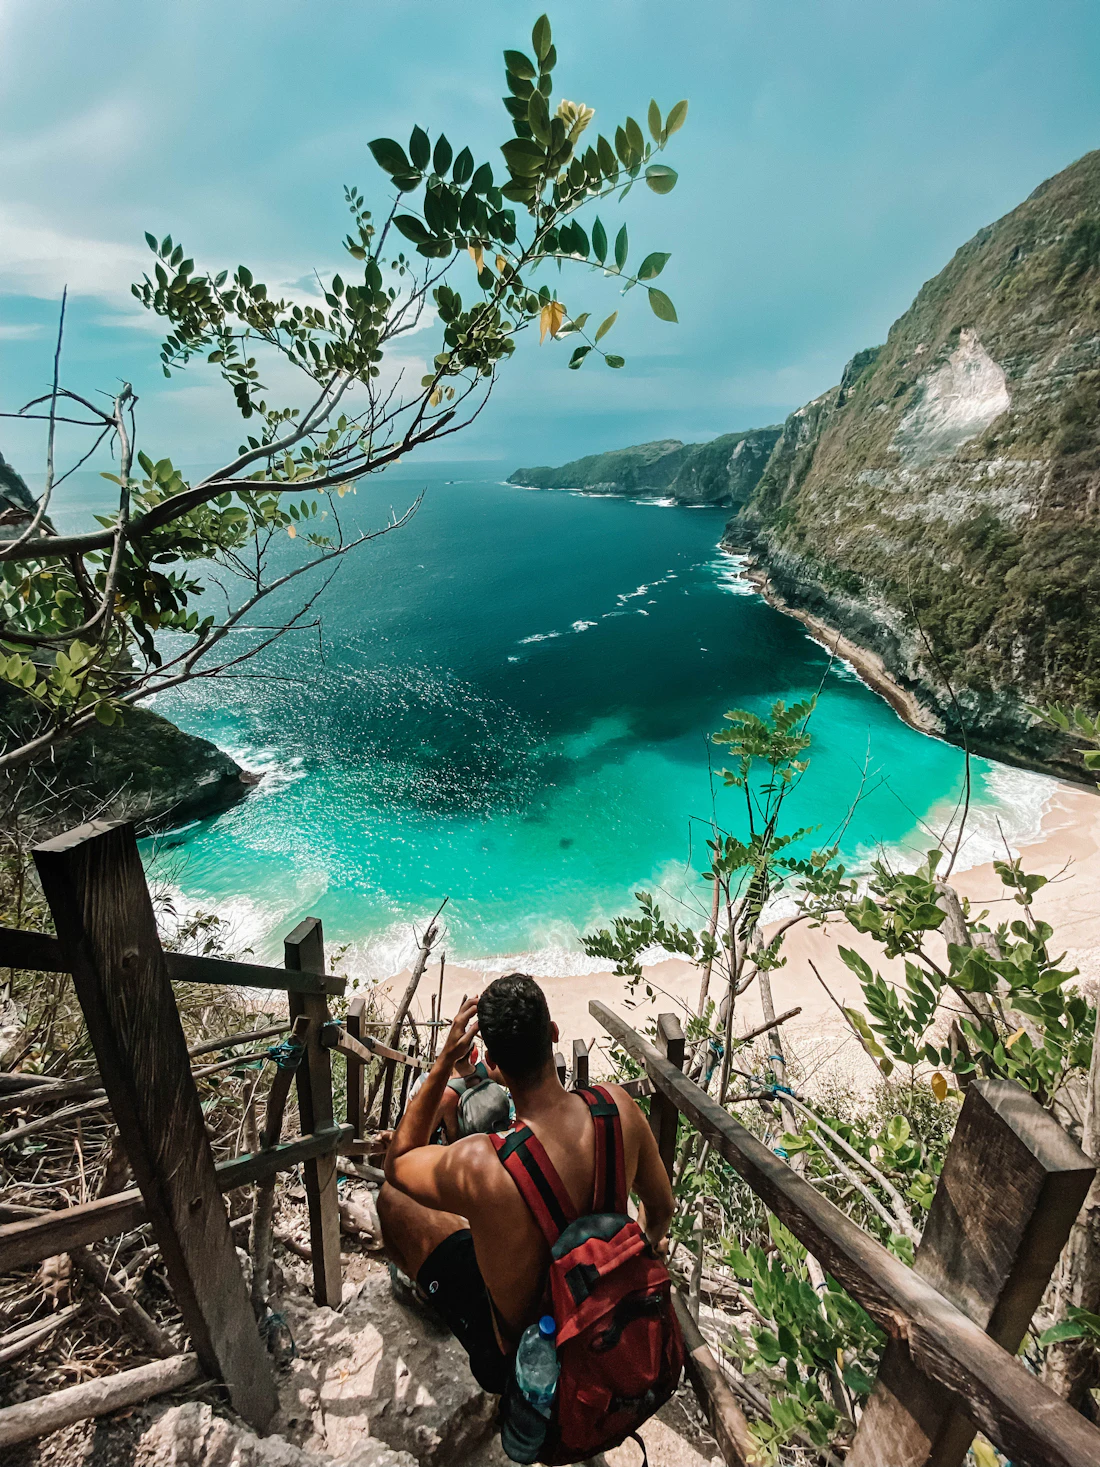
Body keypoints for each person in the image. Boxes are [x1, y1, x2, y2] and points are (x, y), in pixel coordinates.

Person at [379, 973, 674, 1395]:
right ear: (553, 1034)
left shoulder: (482, 1161)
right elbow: (661, 1210)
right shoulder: (619, 1110)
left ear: (493, 1064)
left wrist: (444, 1062)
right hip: (611, 1324)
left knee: (393, 1201)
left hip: (527, 1370)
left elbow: (399, 1163)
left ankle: (428, 1300)